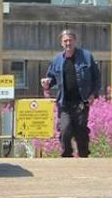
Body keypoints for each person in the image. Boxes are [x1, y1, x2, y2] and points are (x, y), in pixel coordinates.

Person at [42, 29, 101, 158]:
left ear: (75, 41)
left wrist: (93, 95)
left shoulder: (86, 57)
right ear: (61, 43)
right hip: (64, 103)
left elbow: (97, 79)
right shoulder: (57, 60)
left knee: (81, 131)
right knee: (65, 130)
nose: (68, 43)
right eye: (65, 41)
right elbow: (51, 79)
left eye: (70, 40)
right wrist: (47, 83)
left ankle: (83, 156)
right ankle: (66, 156)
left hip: (81, 102)